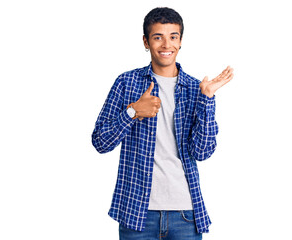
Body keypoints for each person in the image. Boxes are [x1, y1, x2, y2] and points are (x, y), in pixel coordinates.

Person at [91, 7, 234, 240]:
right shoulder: (127, 83)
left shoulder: (195, 88)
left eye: (173, 37)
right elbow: (100, 142)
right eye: (158, 37)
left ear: (180, 41)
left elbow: (202, 152)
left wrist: (207, 99)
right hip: (137, 213)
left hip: (185, 213)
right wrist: (132, 112)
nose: (166, 45)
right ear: (146, 42)